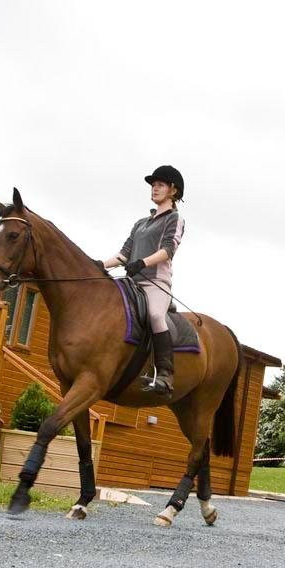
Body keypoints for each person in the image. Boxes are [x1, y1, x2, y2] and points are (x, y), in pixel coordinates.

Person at [100, 165, 185, 397]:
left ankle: (166, 375)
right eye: (153, 185)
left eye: (160, 185)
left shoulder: (175, 219)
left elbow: (168, 250)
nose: (154, 189)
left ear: (173, 191)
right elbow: (124, 254)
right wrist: (98, 264)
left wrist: (143, 263)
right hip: (132, 282)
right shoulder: (140, 223)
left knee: (156, 315)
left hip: (156, 282)